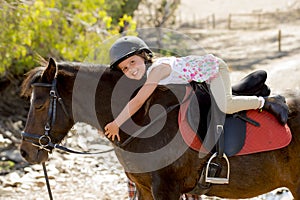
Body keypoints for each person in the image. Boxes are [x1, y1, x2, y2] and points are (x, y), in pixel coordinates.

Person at [104, 36, 288, 141]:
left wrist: (116, 124)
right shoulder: (149, 73)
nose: (131, 69)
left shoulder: (156, 70)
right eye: (125, 69)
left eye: (132, 62)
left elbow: (138, 100)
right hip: (200, 79)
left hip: (213, 70)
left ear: (144, 56)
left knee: (226, 105)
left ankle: (268, 102)